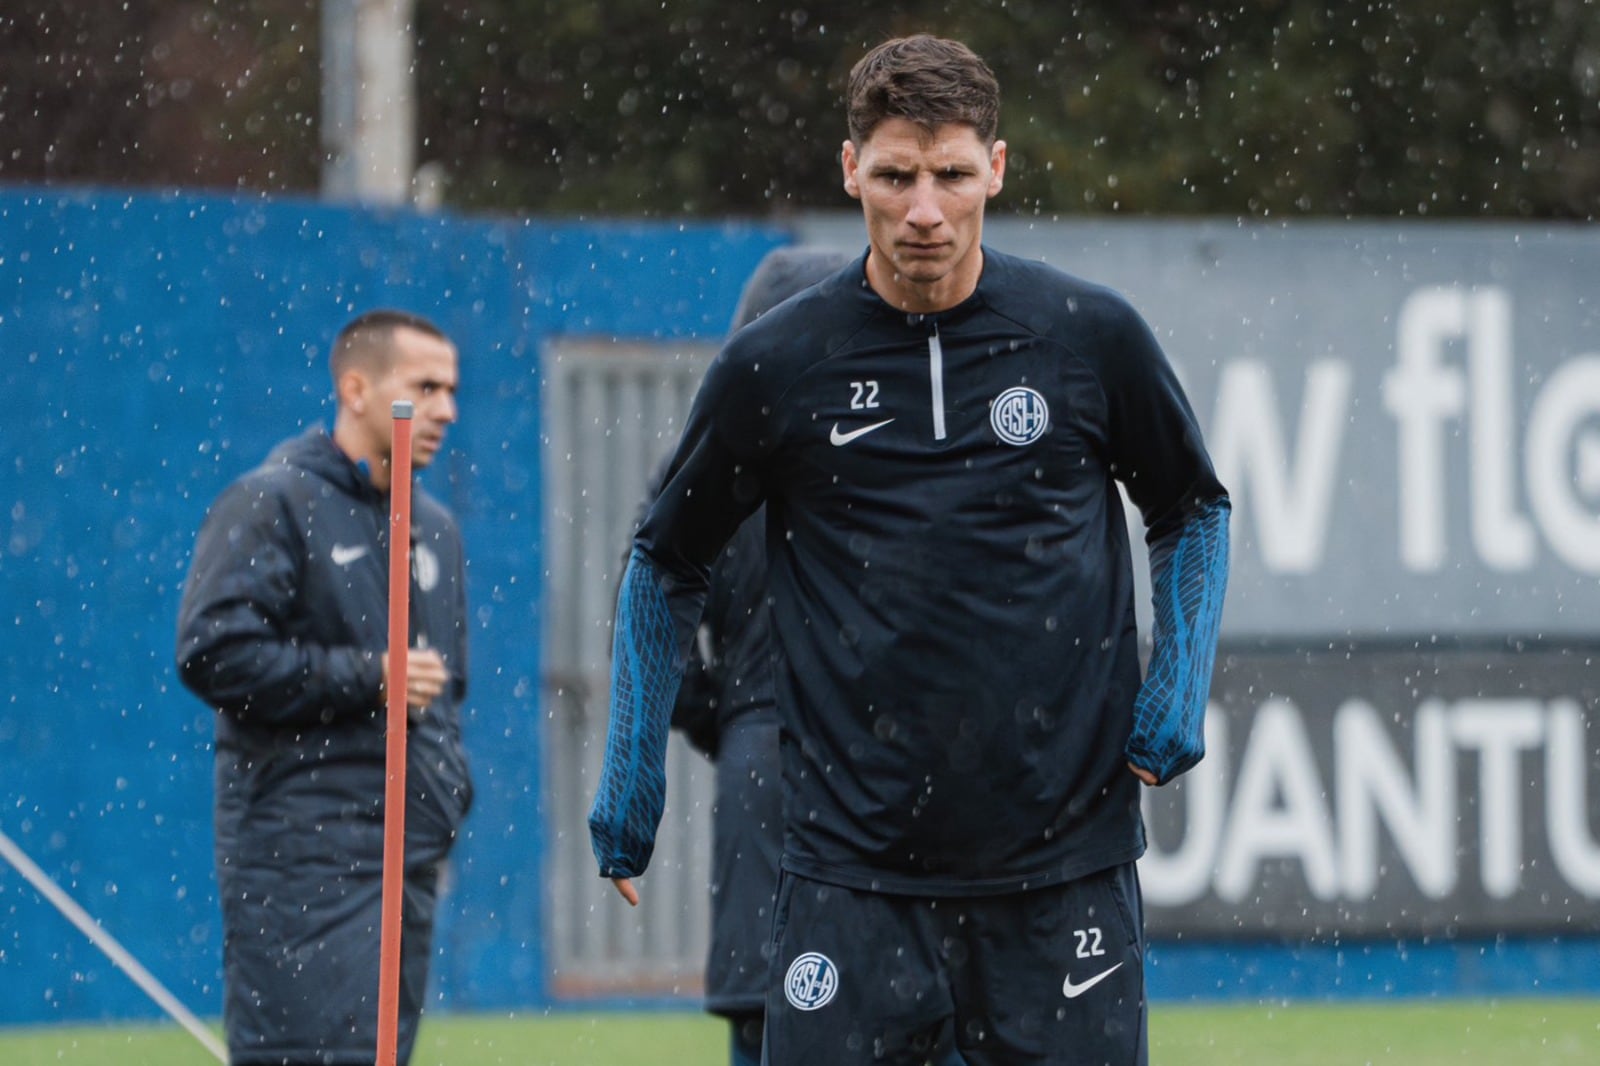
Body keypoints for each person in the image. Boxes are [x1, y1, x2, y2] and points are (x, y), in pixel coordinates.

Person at [589, 33, 1229, 1066]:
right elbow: (664, 560)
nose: (923, 209)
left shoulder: (1088, 335)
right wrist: (629, 785)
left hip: (1060, 869)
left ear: (997, 170)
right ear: (851, 172)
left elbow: (1193, 508)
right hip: (851, 877)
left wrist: (1173, 693)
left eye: (950, 175)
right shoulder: (776, 361)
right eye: (894, 176)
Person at [176, 309, 472, 1065]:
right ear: (356, 387)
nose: (446, 409)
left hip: (406, 866)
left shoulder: (434, 528)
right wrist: (369, 676)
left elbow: (445, 694)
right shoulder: (272, 503)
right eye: (426, 387)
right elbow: (214, 653)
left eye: (453, 390)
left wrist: (448, 794)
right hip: (301, 869)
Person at [659, 247, 851, 1066]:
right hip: (877, 769)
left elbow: (651, 618)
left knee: (769, 1018)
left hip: (762, 759)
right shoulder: (890, 449)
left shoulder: (704, 464)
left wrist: (731, 718)